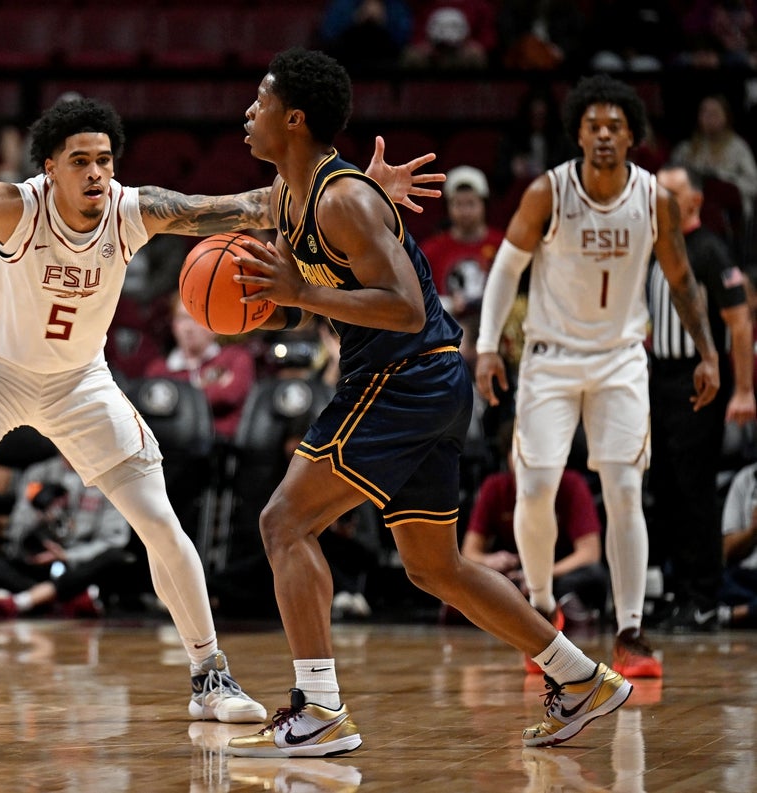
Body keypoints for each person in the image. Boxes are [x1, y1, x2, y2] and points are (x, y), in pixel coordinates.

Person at [0, 97, 439, 728]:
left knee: (159, 520)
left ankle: (210, 675)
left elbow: (251, 206)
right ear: (50, 167)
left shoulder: (133, 210)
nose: (97, 174)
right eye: (82, 161)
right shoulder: (13, 207)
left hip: (78, 382)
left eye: (105, 160)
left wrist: (354, 193)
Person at [224, 48, 630, 758]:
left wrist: (303, 290)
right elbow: (314, 296)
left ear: (294, 119)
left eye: (261, 101)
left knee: (284, 522)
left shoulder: (342, 199)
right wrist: (269, 305)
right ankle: (579, 676)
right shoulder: (291, 195)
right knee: (434, 567)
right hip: (421, 381)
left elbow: (405, 307)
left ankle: (320, 708)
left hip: (403, 377)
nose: (248, 113)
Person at [474, 74, 720, 681]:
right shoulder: (548, 192)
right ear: (578, 134)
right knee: (535, 488)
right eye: (594, 125)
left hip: (619, 357)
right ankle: (540, 612)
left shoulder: (654, 199)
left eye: (616, 126)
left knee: (625, 490)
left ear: (633, 136)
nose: (605, 134)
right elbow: (506, 270)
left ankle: (631, 633)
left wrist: (708, 352)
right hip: (550, 356)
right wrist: (486, 346)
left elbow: (683, 280)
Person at [648, 164, 756, 632]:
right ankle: (677, 591)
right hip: (660, 380)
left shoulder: (709, 249)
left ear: (694, 201)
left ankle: (705, 595)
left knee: (695, 490)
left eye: (669, 193)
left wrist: (744, 390)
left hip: (700, 380)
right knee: (666, 488)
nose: (658, 200)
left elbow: (740, 323)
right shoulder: (655, 246)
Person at [461, 421, 610, 653]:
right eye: (519, 451)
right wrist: (490, 561)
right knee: (483, 580)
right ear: (508, 455)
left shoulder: (572, 485)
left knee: (592, 576)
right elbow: (468, 552)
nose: (527, 460)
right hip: (515, 572)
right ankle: (516, 618)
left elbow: (590, 553)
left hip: (559, 571)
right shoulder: (495, 487)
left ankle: (559, 614)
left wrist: (541, 576)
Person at [0, 453, 137, 619]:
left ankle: (23, 600)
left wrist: (67, 555)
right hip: (38, 563)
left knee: (118, 558)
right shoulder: (38, 473)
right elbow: (15, 533)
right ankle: (63, 600)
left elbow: (115, 539)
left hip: (78, 567)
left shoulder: (108, 477)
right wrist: (38, 514)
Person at [144, 293, 257, 441]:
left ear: (214, 325)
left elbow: (230, 395)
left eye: (196, 319)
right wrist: (208, 388)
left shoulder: (235, 358)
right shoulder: (158, 369)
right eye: (182, 318)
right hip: (172, 447)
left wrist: (176, 398)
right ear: (173, 325)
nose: (188, 328)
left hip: (222, 447)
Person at [419, 165, 504, 319]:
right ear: (448, 207)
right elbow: (418, 300)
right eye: (458, 204)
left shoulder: (503, 245)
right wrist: (449, 304)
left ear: (484, 204)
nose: (465, 212)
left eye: (471, 203)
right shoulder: (430, 251)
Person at [670, 94, 757, 222]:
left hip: (729, 215)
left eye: (715, 112)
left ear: (726, 116)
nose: (709, 117)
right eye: (704, 112)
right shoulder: (686, 150)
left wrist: (724, 181)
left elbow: (753, 184)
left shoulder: (739, 148)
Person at [718, 460, 757, 627]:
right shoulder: (745, 478)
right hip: (745, 577)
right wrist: (753, 531)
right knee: (712, 581)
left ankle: (737, 614)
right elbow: (727, 549)